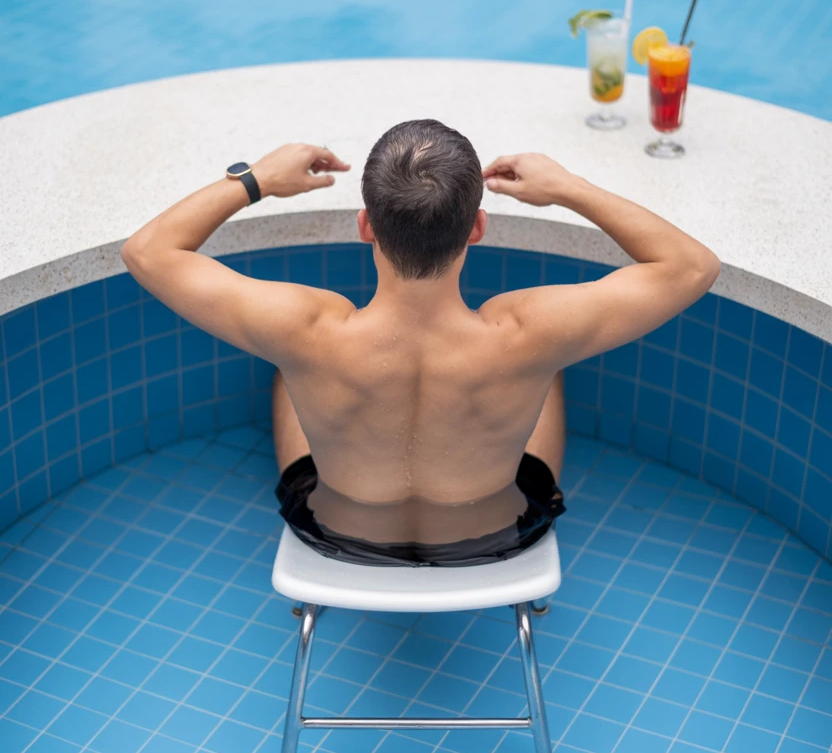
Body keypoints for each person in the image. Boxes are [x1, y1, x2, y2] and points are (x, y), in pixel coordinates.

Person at [121, 120, 720, 567]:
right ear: (478, 228)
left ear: (365, 226)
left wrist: (256, 179)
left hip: (337, 528)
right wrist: (569, 188)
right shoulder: (529, 330)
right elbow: (691, 266)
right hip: (495, 531)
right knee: (547, 367)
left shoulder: (305, 328)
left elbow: (147, 252)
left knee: (290, 368)